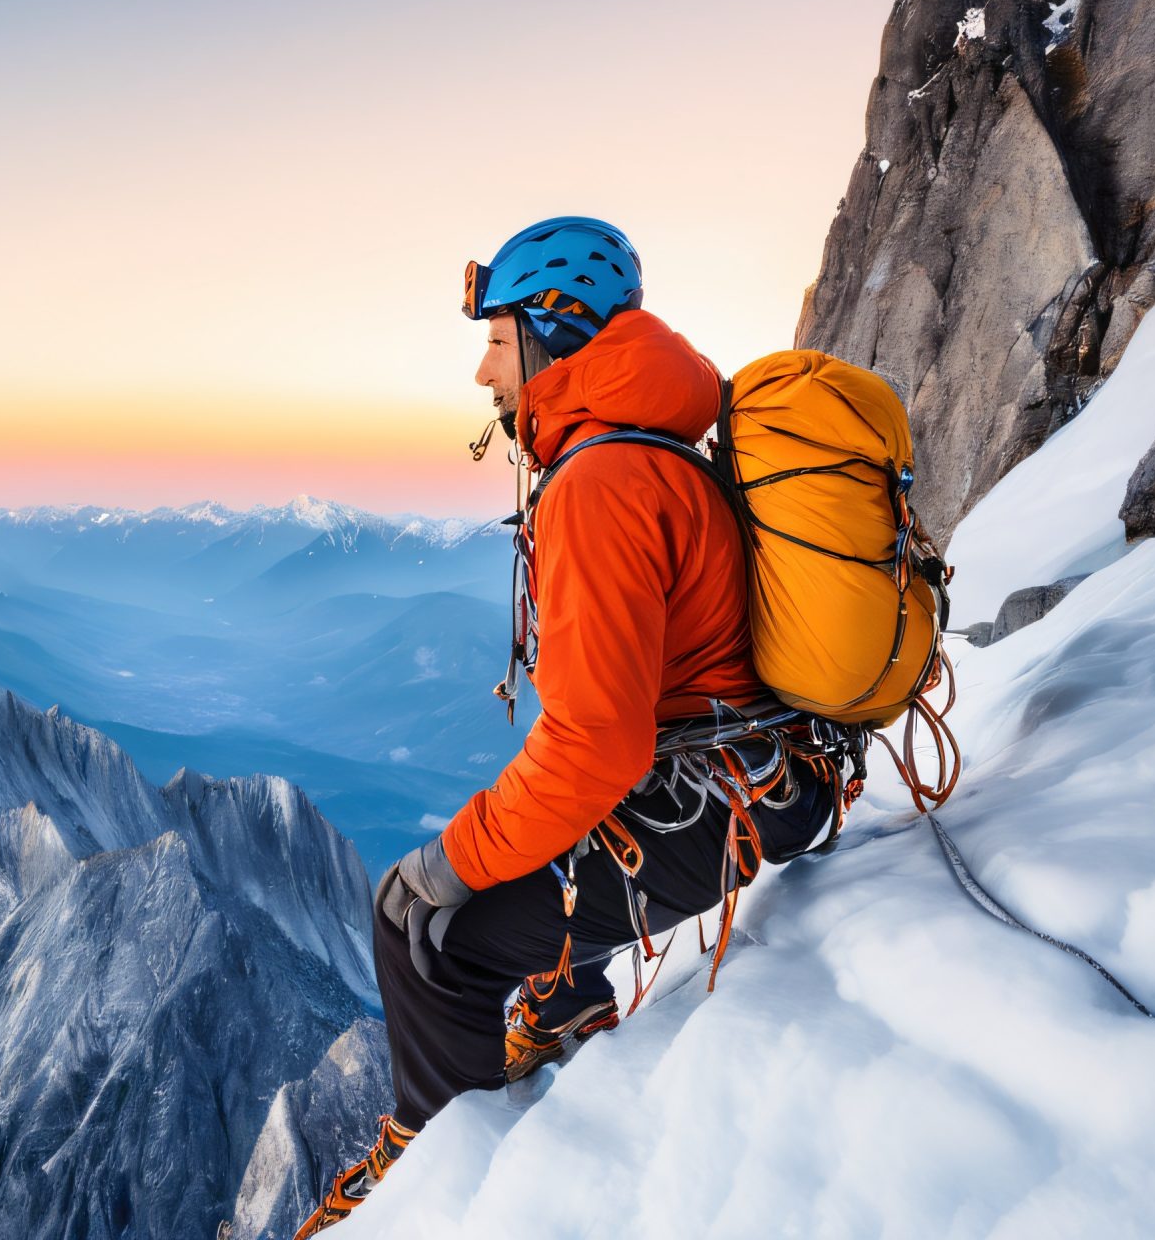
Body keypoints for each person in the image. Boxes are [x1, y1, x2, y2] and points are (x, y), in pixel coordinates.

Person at [296, 217, 851, 1235]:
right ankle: (565, 1005)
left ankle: (436, 1158)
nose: (481, 373)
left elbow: (597, 746)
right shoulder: (645, 453)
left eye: (497, 342)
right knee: (521, 833)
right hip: (746, 781)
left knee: (422, 926)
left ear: (552, 331)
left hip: (708, 807)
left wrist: (446, 863)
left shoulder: (598, 484)